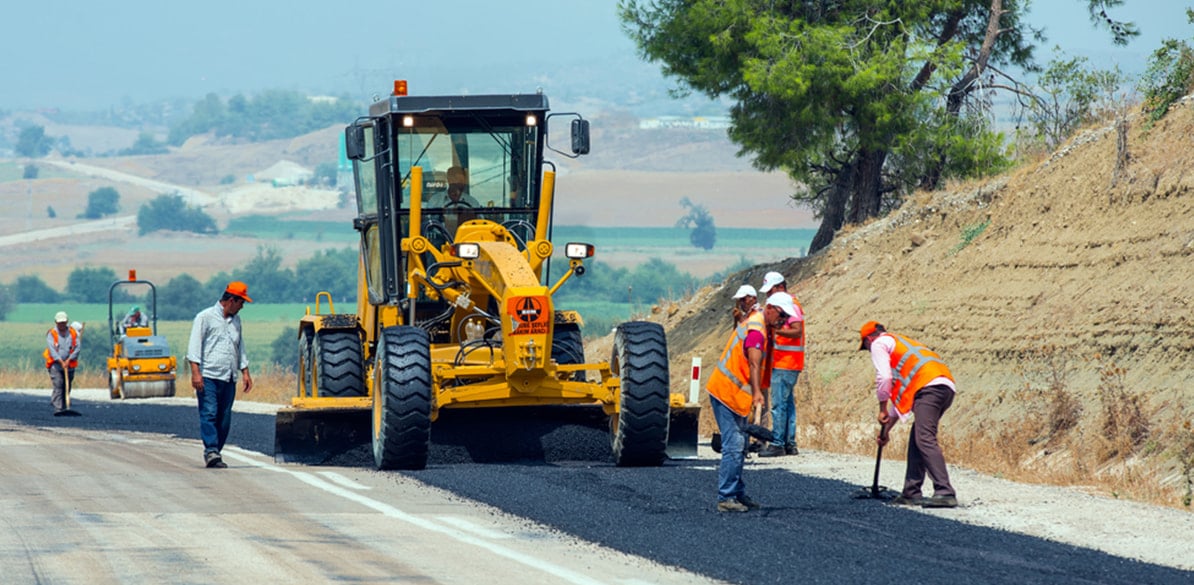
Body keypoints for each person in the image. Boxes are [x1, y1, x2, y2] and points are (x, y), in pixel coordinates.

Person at [859, 321, 958, 508]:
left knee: (924, 438)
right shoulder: (902, 343)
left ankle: (945, 491)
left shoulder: (879, 344)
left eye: (866, 347)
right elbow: (903, 401)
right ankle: (911, 492)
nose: (869, 351)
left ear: (869, 339)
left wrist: (882, 408)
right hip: (944, 387)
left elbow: (884, 377)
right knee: (918, 438)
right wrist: (886, 430)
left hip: (930, 388)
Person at [705, 292, 787, 512]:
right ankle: (726, 497)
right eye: (781, 315)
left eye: (786, 318)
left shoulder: (760, 323)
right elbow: (753, 363)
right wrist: (758, 393)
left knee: (740, 444)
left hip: (735, 395)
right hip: (726, 392)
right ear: (770, 309)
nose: (783, 321)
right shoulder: (757, 331)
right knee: (734, 445)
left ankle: (737, 493)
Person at [187, 282, 254, 469]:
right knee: (209, 413)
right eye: (241, 302)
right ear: (231, 300)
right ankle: (211, 451)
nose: (242, 306)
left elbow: (240, 346)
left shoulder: (236, 321)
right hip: (208, 376)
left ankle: (216, 450)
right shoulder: (205, 317)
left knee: (224, 418)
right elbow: (194, 346)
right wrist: (195, 373)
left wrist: (245, 372)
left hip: (229, 377)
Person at [757, 273, 805, 457]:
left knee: (779, 405)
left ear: (779, 287)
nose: (768, 295)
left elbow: (797, 331)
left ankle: (777, 444)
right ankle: (789, 443)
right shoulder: (788, 302)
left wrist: (775, 331)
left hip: (786, 361)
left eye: (770, 291)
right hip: (788, 362)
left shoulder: (789, 305)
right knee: (788, 404)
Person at [45, 311, 80, 416]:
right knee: (59, 384)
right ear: (56, 322)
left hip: (69, 364)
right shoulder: (52, 333)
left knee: (67, 385)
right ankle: (58, 408)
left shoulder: (73, 333)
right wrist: (60, 361)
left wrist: (69, 360)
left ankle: (65, 405)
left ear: (67, 322)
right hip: (55, 364)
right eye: (60, 323)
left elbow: (77, 348)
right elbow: (52, 350)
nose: (62, 325)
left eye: (63, 322)